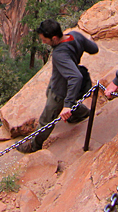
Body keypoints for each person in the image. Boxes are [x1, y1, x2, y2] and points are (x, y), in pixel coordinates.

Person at [17, 19, 99, 153]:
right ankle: (81, 113)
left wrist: (67, 105)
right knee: (52, 96)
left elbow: (75, 76)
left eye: (45, 40)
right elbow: (94, 49)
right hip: (61, 82)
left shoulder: (59, 53)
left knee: (46, 119)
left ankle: (34, 145)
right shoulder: (75, 35)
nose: (43, 43)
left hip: (60, 90)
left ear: (54, 38)